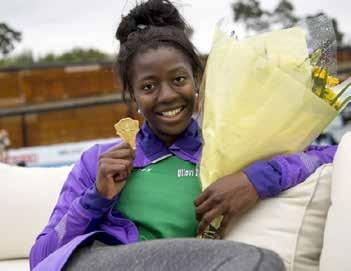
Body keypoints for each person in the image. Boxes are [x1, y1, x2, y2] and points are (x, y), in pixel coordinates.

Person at [29, 1, 336, 270]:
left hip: (191, 261)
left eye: (178, 79)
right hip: (105, 262)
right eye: (148, 87)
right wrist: (96, 197)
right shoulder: (98, 162)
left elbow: (331, 155)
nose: (166, 96)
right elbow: (41, 258)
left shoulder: (225, 150)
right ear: (133, 97)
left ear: (196, 81)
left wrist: (255, 179)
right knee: (258, 262)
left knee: (260, 263)